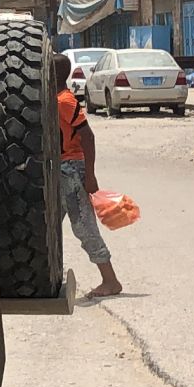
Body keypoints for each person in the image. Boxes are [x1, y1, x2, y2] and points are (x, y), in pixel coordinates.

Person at [54, 53, 122, 298]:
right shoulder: (57, 99)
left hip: (71, 169)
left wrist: (89, 175)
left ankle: (110, 280)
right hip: (61, 170)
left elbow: (87, 136)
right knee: (50, 226)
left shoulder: (64, 101)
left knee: (83, 226)